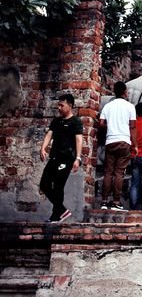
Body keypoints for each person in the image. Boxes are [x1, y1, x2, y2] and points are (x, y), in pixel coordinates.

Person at [39, 93, 83, 223]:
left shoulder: (76, 122)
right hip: (54, 158)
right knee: (44, 184)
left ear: (69, 106)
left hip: (67, 159)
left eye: (61, 105)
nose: (58, 107)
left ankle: (56, 215)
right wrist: (43, 148)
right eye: (58, 105)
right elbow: (49, 135)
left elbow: (79, 140)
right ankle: (62, 210)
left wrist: (78, 158)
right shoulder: (56, 121)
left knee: (58, 186)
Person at [99, 81, 137, 210]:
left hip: (110, 141)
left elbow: (101, 123)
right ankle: (116, 202)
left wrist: (110, 126)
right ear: (125, 92)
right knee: (119, 173)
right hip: (124, 141)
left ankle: (104, 201)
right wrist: (135, 145)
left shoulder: (107, 107)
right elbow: (132, 127)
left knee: (108, 172)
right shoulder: (130, 107)